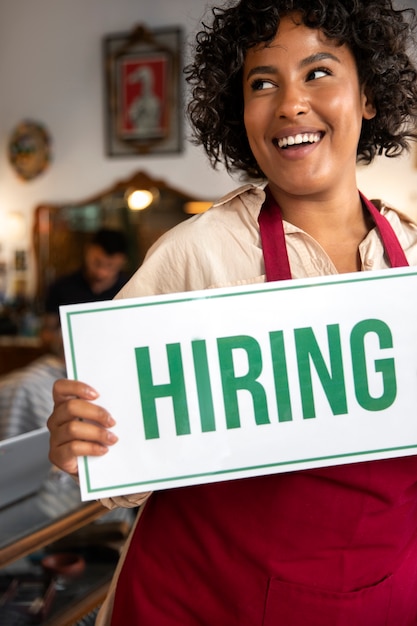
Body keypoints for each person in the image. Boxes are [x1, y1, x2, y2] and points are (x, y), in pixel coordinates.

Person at [47, 1, 417, 624]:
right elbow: (115, 469)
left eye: (319, 72)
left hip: (382, 596)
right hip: (205, 599)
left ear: (370, 95)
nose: (290, 103)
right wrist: (83, 440)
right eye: (262, 83)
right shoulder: (197, 254)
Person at [0, 228, 129, 441]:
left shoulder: (129, 290)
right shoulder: (62, 287)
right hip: (61, 363)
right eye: (97, 263)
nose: (102, 272)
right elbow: (46, 332)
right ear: (88, 252)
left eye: (110, 266)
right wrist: (62, 340)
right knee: (20, 387)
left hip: (109, 368)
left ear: (121, 262)